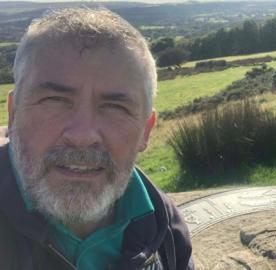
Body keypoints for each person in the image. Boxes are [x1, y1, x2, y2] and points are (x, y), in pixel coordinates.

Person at [0, 8, 194, 270]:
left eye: (115, 107)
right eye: (55, 101)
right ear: (13, 114)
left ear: (145, 131)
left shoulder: (165, 227)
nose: (82, 136)